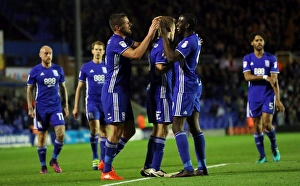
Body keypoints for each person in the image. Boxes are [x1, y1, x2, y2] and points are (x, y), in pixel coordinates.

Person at [100, 13, 160, 180]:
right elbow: (136, 54)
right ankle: (106, 171)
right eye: (127, 23)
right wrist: (149, 33)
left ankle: (105, 161)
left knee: (130, 131)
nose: (130, 24)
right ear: (118, 27)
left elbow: (140, 45)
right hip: (114, 91)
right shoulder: (115, 42)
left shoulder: (124, 40)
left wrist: (156, 36)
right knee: (116, 130)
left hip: (123, 92)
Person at [160, 13, 208, 177]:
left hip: (184, 86)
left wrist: (164, 36)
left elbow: (172, 57)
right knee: (194, 127)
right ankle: (202, 167)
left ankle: (188, 168)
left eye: (180, 22)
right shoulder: (193, 39)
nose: (178, 24)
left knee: (176, 127)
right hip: (194, 84)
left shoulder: (189, 41)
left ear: (188, 25)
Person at [140, 16, 175, 178]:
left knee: (156, 129)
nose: (175, 32)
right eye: (174, 29)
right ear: (169, 30)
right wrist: (174, 62)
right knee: (163, 129)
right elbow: (160, 68)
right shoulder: (162, 45)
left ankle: (148, 166)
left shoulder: (154, 44)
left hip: (152, 90)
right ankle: (156, 168)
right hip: (161, 91)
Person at [242, 31, 285, 163]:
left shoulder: (271, 58)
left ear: (264, 42)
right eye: (256, 40)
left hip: (268, 95)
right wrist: (265, 77)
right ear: (252, 43)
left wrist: (278, 100)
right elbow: (247, 77)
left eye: (261, 40)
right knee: (256, 125)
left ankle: (274, 147)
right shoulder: (247, 58)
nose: (259, 42)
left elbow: (275, 81)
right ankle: (262, 156)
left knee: (267, 124)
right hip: (254, 96)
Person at [27, 45, 69, 174]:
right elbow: (29, 89)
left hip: (56, 106)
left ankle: (54, 159)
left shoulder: (58, 69)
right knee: (41, 136)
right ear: (40, 55)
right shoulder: (35, 71)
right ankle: (43, 166)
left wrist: (66, 105)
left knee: (61, 132)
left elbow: (63, 88)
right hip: (41, 108)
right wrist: (30, 107)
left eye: (50, 53)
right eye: (45, 53)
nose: (48, 55)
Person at [72, 41, 108, 170]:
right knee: (95, 130)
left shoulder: (108, 67)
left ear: (103, 52)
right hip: (92, 103)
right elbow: (79, 88)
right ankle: (95, 157)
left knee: (104, 131)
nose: (98, 52)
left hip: (106, 103)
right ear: (92, 51)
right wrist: (76, 107)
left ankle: (103, 161)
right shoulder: (86, 68)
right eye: (96, 49)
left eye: (100, 50)